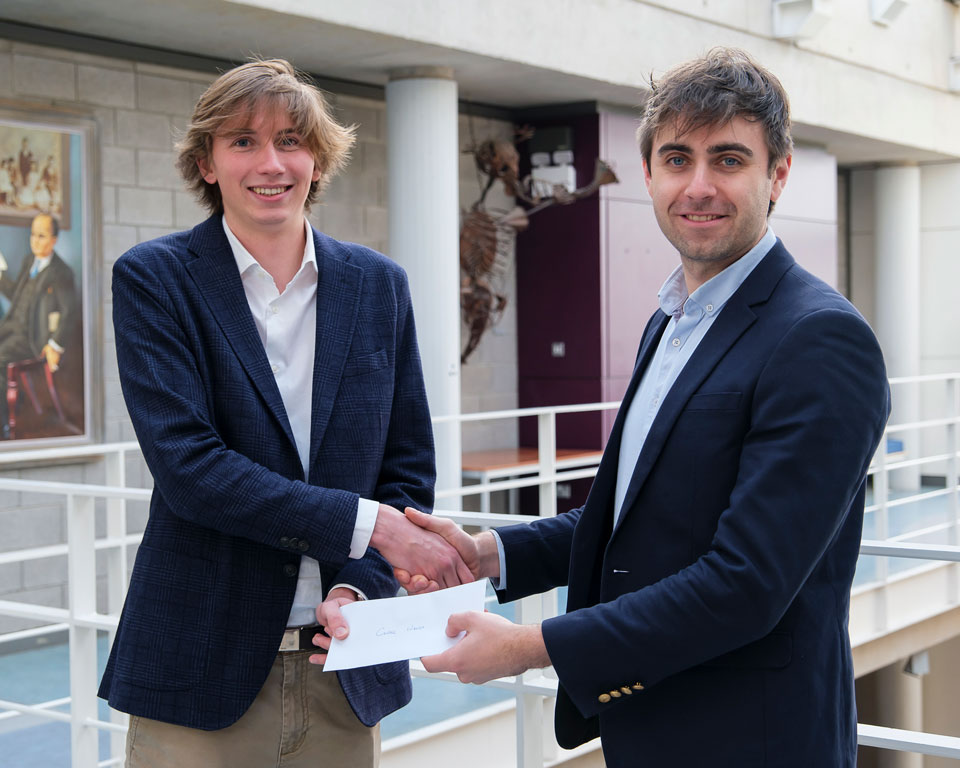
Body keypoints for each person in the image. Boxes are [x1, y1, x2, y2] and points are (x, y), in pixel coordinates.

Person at [358, 48, 891, 767]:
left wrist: (529, 647)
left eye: (728, 160)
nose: (698, 186)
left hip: (756, 739)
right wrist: (488, 553)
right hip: (652, 726)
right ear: (648, 173)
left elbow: (747, 584)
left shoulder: (820, 338)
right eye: (678, 159)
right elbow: (634, 516)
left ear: (779, 174)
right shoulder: (672, 320)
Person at [98, 58, 471, 767]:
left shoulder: (377, 285)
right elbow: (190, 469)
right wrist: (374, 527)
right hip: (199, 672)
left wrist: (363, 582)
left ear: (318, 158)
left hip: (343, 667)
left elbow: (407, 463)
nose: (271, 163)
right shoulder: (154, 279)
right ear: (207, 162)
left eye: (291, 141)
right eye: (243, 142)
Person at [0, 213, 77, 434]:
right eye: (33, 235)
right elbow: (16, 295)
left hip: (31, 337)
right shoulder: (28, 261)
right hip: (12, 325)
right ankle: (16, 399)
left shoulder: (61, 273)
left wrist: (55, 344)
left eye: (41, 236)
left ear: (54, 240)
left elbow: (69, 312)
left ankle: (3, 421)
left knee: (1, 357)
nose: (35, 241)